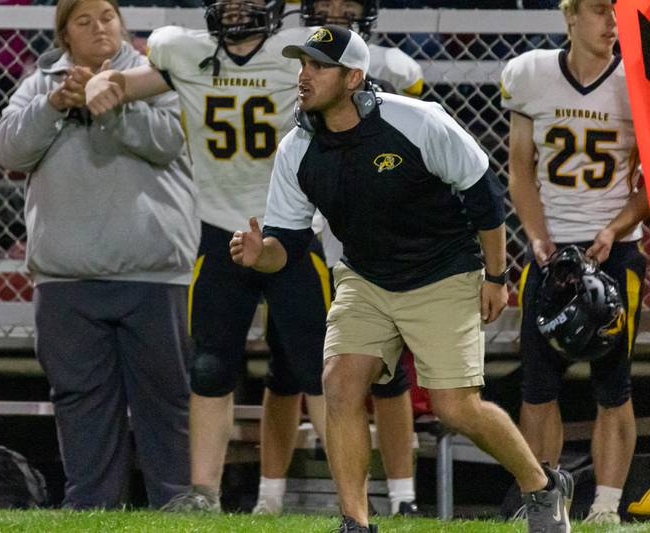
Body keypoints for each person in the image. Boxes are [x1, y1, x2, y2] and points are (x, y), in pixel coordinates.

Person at [230, 25, 574, 533]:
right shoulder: (296, 148)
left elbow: (484, 196)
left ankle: (542, 486)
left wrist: (497, 277)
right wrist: (261, 255)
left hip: (442, 274)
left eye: (318, 66)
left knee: (456, 409)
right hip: (365, 278)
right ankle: (356, 522)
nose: (304, 76)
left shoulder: (416, 120)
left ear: (353, 77)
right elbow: (288, 247)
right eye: (302, 64)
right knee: (340, 385)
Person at [85, 0, 330, 513]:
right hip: (220, 231)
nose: (237, 9)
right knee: (210, 368)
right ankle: (204, 496)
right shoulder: (184, 51)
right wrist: (99, 86)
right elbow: (127, 85)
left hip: (292, 232)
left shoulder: (298, 56)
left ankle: (351, 491)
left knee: (319, 369)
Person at [0, 0, 197, 509]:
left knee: (165, 403)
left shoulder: (159, 75)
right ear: (65, 37)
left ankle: (175, 509)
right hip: (65, 281)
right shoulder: (40, 85)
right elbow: (8, 151)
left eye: (107, 16)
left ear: (122, 24)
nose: (99, 27)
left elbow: (171, 140)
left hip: (153, 273)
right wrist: (56, 106)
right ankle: (89, 512)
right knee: (80, 404)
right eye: (83, 21)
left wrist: (112, 104)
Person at [502, 0, 647, 524]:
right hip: (550, 252)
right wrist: (538, 239)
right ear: (569, 16)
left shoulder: (638, 78)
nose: (611, 22)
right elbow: (520, 170)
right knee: (538, 387)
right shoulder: (531, 73)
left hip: (614, 251)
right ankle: (544, 500)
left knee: (614, 385)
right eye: (598, 10)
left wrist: (613, 230)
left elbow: (649, 181)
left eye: (616, 11)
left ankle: (606, 507)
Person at [297, 0, 425, 516]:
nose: (335, 12)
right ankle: (353, 507)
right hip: (333, 241)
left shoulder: (393, 69)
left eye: (346, 4)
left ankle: (402, 496)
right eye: (325, 4)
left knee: (389, 380)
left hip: (390, 242)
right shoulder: (304, 77)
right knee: (328, 377)